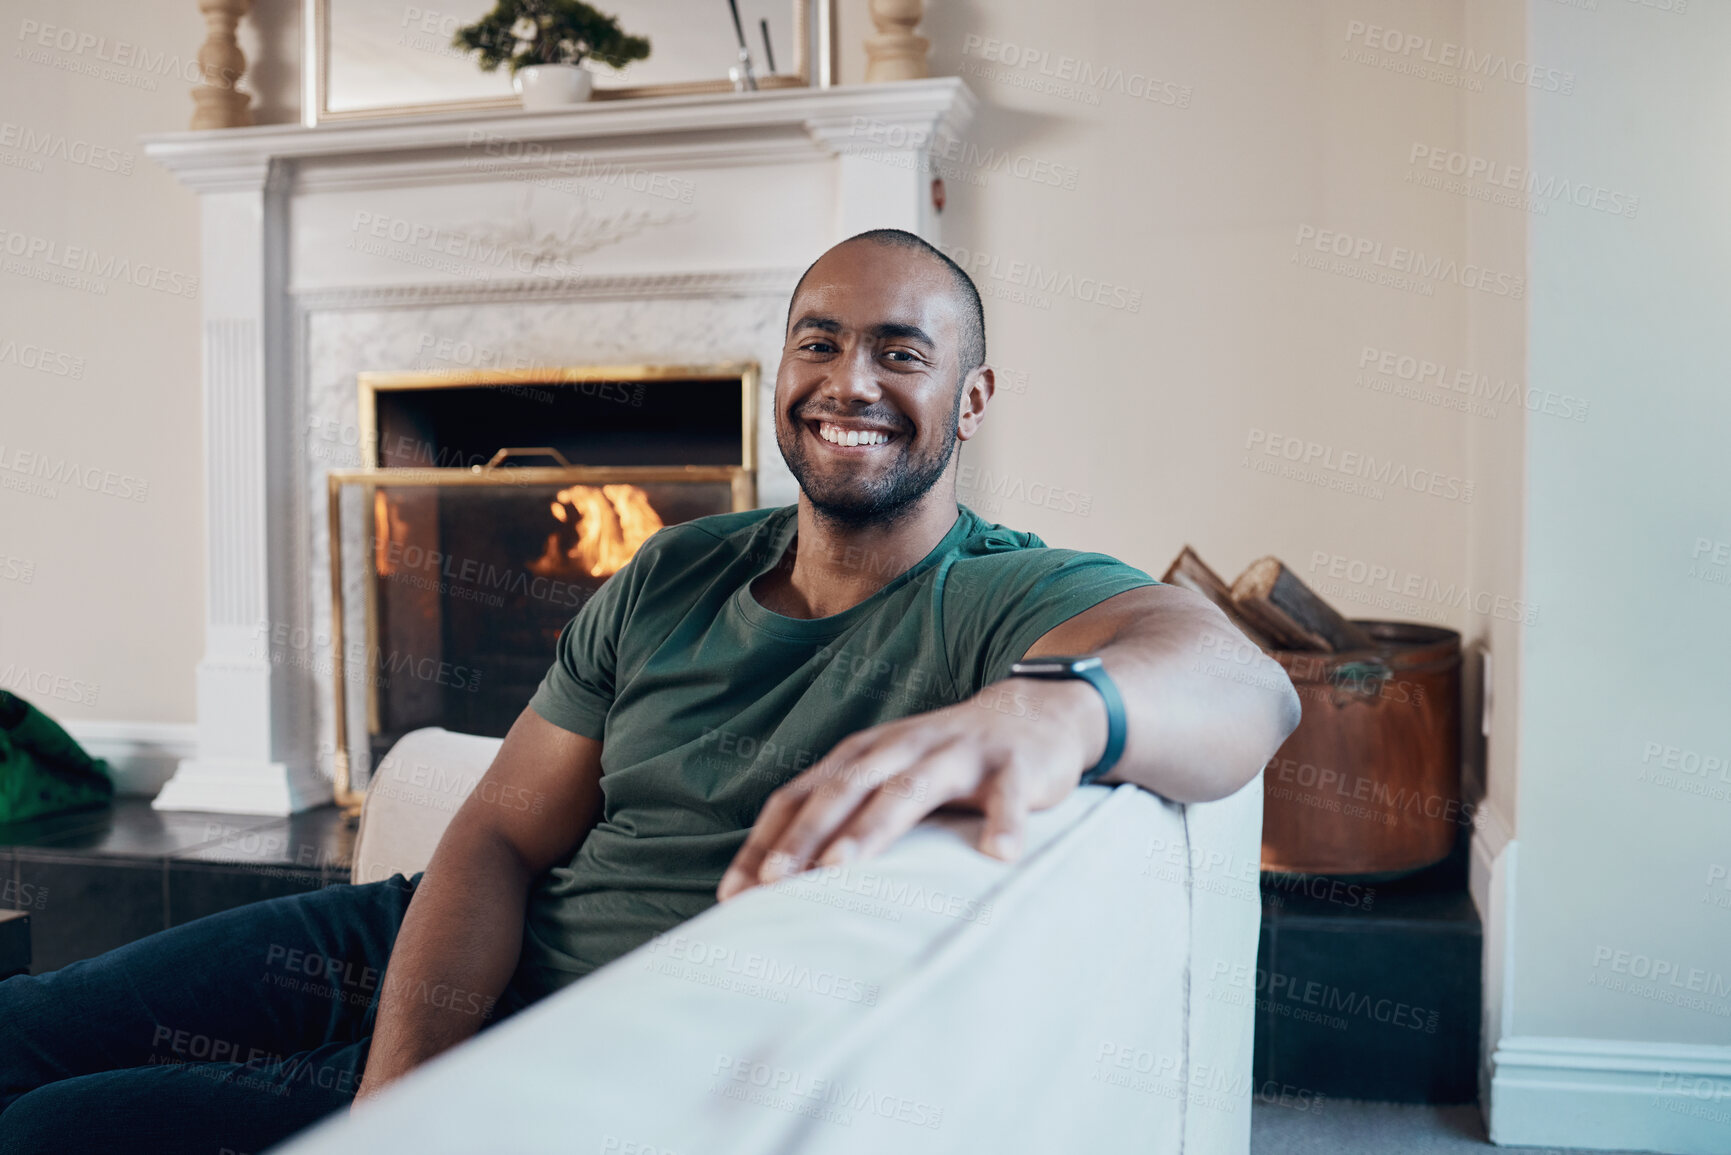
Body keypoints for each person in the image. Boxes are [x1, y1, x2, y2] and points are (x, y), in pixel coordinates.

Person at [0, 229, 1300, 1155]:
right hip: (426, 943)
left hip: (573, 1030)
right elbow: (506, 832)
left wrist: (1057, 708)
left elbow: (1245, 688)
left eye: (901, 352)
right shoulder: (680, 564)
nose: (851, 380)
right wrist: (403, 1082)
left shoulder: (1008, 596)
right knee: (27, 1030)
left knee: (59, 1130)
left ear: (972, 399)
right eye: (821, 342)